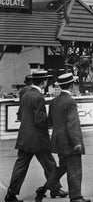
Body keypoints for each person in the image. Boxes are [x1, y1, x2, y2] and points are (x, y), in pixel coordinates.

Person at [4, 71, 67, 202]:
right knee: (49, 164)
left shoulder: (26, 95)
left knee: (21, 166)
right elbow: (40, 121)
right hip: (38, 139)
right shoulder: (38, 97)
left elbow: (20, 115)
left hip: (24, 138)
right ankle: (55, 189)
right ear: (44, 81)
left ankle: (11, 194)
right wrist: (52, 120)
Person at [35, 73, 90, 202]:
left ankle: (44, 188)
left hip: (58, 141)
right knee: (75, 169)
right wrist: (77, 142)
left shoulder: (54, 101)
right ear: (72, 85)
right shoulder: (70, 102)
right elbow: (72, 124)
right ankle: (76, 197)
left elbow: (50, 122)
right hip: (70, 141)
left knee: (63, 167)